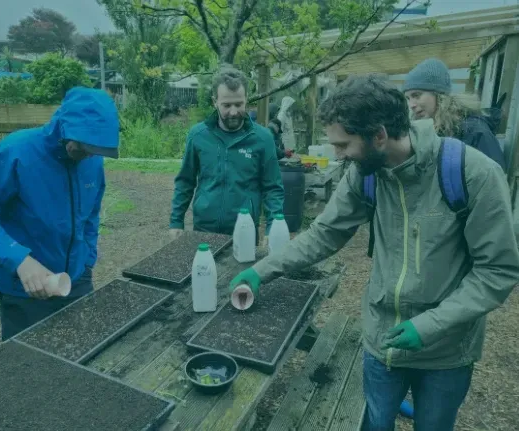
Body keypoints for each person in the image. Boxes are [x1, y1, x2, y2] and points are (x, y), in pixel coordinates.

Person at [228, 74, 519, 431]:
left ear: (379, 135)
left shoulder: (472, 174)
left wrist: (430, 325)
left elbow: (497, 271)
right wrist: (263, 270)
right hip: (383, 344)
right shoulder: (364, 173)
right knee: (376, 423)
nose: (337, 154)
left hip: (446, 352)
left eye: (344, 144)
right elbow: (323, 234)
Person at [0, 86, 120, 341]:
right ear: (63, 129)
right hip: (24, 288)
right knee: (29, 368)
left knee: (81, 355)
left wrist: (87, 260)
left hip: (75, 282)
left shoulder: (92, 160)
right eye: (82, 147)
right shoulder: (15, 151)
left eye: (95, 149)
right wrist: (20, 260)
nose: (88, 155)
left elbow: (91, 215)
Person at [169, 65, 284, 240]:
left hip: (245, 230)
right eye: (226, 105)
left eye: (239, 104)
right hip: (204, 228)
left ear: (246, 99)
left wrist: (272, 226)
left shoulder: (263, 138)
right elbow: (186, 180)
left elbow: (272, 188)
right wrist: (176, 221)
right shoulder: (198, 135)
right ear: (215, 101)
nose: (233, 111)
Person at [404, 58, 506, 169]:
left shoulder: (474, 130)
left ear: (438, 94)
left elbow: (496, 176)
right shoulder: (424, 131)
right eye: (408, 98)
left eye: (416, 95)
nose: (411, 105)